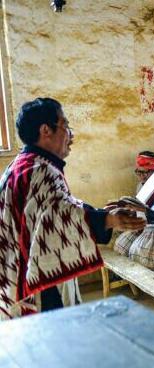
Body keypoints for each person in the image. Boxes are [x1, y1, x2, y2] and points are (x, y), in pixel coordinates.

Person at [0, 97, 145, 319]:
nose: (71, 135)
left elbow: (54, 207)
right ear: (46, 130)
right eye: (65, 126)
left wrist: (99, 213)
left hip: (14, 272)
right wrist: (107, 220)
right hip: (34, 282)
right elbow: (56, 214)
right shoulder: (41, 170)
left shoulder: (22, 164)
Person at [114, 151, 154, 277]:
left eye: (145, 172)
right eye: (139, 172)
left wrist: (143, 210)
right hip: (146, 226)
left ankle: (153, 280)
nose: (141, 176)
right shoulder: (141, 186)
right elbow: (141, 209)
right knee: (121, 243)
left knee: (138, 249)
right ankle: (133, 279)